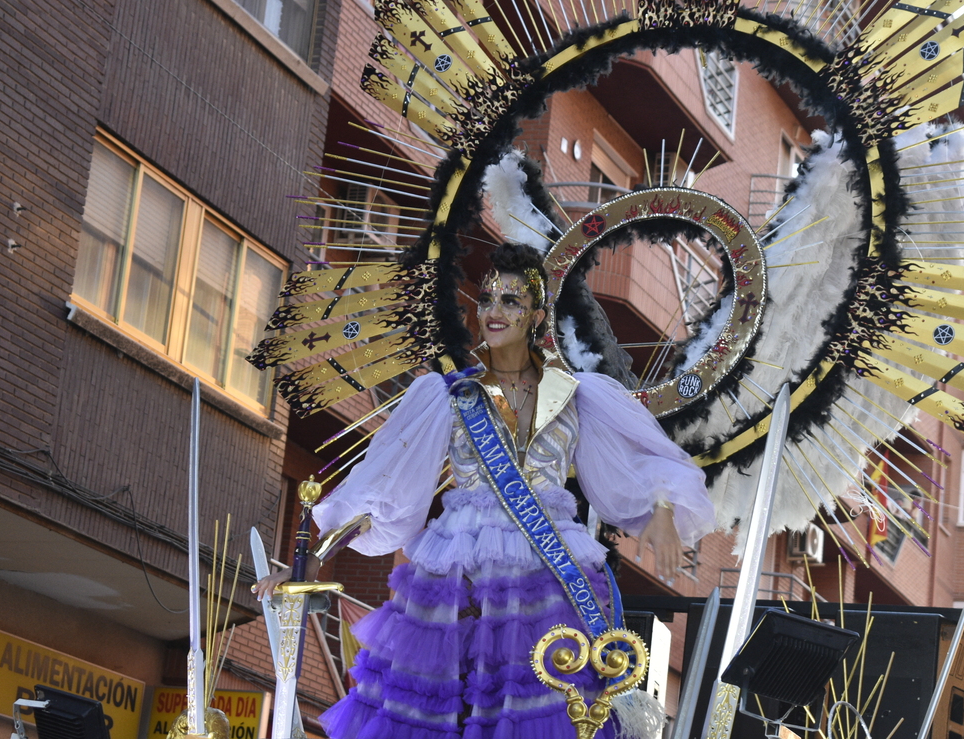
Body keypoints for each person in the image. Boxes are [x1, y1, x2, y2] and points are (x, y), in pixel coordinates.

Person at [255, 243, 715, 739]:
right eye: (488, 297)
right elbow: (383, 485)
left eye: (511, 301)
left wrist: (662, 507)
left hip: (546, 570)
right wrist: (313, 558)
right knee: (440, 704)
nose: (494, 311)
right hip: (460, 567)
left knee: (540, 703)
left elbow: (638, 463)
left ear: (537, 314)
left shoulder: (579, 395)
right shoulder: (449, 394)